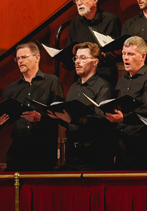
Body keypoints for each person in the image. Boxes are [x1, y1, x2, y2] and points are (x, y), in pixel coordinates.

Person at [0, 42, 64, 171]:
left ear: (37, 57)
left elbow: (59, 115)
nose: (20, 61)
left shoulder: (52, 81)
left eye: (24, 57)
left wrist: (40, 117)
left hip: (43, 147)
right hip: (18, 147)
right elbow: (6, 117)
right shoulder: (12, 88)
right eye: (18, 58)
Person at [48, 42, 114, 170]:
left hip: (94, 154)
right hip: (72, 152)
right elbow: (69, 122)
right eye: (76, 58)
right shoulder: (73, 87)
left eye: (83, 58)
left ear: (95, 62)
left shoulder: (103, 87)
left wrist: (72, 120)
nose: (77, 62)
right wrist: (59, 117)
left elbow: (102, 123)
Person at [107, 36, 147, 168]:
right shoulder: (121, 81)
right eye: (124, 53)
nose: (125, 58)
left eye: (130, 54)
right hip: (121, 144)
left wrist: (123, 118)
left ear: (143, 56)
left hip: (141, 145)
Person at [65, 0, 122, 87]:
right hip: (81, 78)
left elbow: (120, 52)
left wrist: (104, 55)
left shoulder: (111, 20)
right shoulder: (75, 23)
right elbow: (70, 51)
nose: (78, 3)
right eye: (76, 0)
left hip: (105, 77)